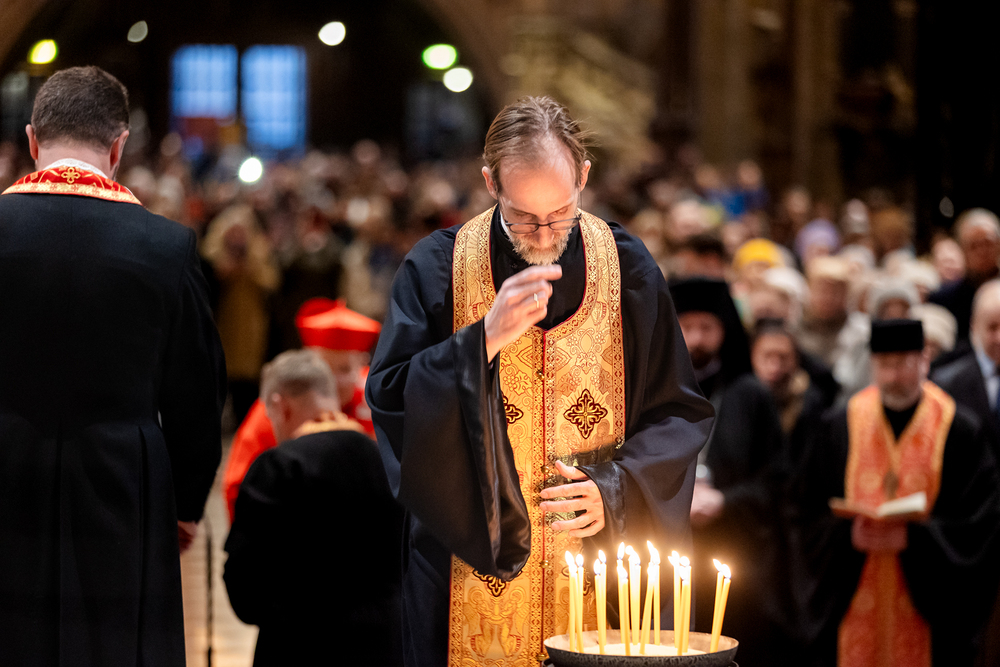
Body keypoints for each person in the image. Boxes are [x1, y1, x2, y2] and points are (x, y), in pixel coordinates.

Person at [366, 96, 714, 667]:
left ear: (583, 177)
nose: (546, 233)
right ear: (491, 183)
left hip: (598, 572)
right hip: (467, 574)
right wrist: (480, 342)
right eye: (524, 217)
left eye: (561, 212)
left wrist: (616, 489)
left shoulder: (627, 267)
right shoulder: (436, 267)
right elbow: (391, 400)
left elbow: (677, 412)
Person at [0, 67, 226, 666]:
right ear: (119, 146)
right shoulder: (166, 246)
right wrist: (186, 504)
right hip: (122, 482)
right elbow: (197, 393)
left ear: (32, 139)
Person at [796, 319, 1000, 667]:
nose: (893, 377)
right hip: (853, 593)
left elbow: (979, 523)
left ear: (924, 361)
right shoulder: (839, 425)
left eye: (903, 364)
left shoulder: (959, 429)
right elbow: (804, 511)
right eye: (884, 365)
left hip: (931, 610)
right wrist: (845, 536)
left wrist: (916, 540)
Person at [224, 350, 402, 667]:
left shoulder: (280, 467)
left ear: (279, 405)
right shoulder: (385, 462)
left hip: (300, 646)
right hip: (385, 645)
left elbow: (245, 585)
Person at [669, 278, 791, 667]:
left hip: (736, 552)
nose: (697, 339)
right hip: (670, 548)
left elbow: (777, 479)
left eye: (707, 327)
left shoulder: (750, 394)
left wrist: (725, 501)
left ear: (725, 329)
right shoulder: (655, 390)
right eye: (688, 327)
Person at [221, 297, 379, 522]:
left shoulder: (380, 405)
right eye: (324, 368)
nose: (332, 381)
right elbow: (238, 485)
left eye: (344, 369)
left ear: (362, 364)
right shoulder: (279, 405)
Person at [929, 208, 1000, 346]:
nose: (982, 251)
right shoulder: (944, 299)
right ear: (961, 249)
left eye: (987, 243)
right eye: (974, 245)